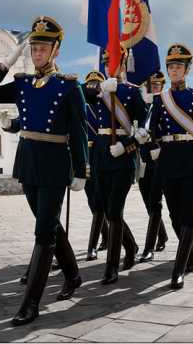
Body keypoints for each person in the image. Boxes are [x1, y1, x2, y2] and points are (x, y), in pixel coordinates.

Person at [0, 15, 88, 326]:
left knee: (43, 232)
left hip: (54, 164)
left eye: (42, 49)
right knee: (49, 223)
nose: (36, 54)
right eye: (34, 49)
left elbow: (79, 132)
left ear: (55, 51)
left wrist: (81, 170)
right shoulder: (23, 84)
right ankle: (73, 275)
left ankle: (30, 304)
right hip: (28, 161)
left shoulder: (69, 88)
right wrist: (5, 64)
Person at [148, 45, 193, 289]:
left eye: (178, 66)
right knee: (173, 213)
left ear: (186, 70)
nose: (174, 70)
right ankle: (189, 252)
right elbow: (152, 129)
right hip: (167, 159)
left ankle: (178, 270)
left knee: (188, 212)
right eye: (171, 67)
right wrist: (152, 147)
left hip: (190, 158)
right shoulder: (160, 99)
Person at [85, 44, 146, 285]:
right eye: (106, 62)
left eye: (113, 62)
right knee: (104, 207)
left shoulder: (133, 92)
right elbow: (84, 92)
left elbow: (145, 129)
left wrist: (128, 146)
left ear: (123, 63)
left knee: (113, 209)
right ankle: (130, 246)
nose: (109, 66)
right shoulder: (98, 91)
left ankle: (111, 267)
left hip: (122, 157)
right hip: (101, 157)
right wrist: (101, 88)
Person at [137, 71, 169, 263]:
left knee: (165, 204)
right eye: (151, 86)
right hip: (144, 162)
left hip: (163, 160)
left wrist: (159, 147)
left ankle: (149, 247)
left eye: (157, 86)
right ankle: (162, 235)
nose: (154, 89)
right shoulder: (141, 108)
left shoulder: (166, 106)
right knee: (150, 203)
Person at [81, 70, 109, 261]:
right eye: (89, 84)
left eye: (96, 84)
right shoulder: (81, 106)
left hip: (103, 154)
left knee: (103, 203)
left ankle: (95, 244)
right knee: (93, 201)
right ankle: (107, 238)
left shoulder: (106, 105)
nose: (92, 87)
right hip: (86, 155)